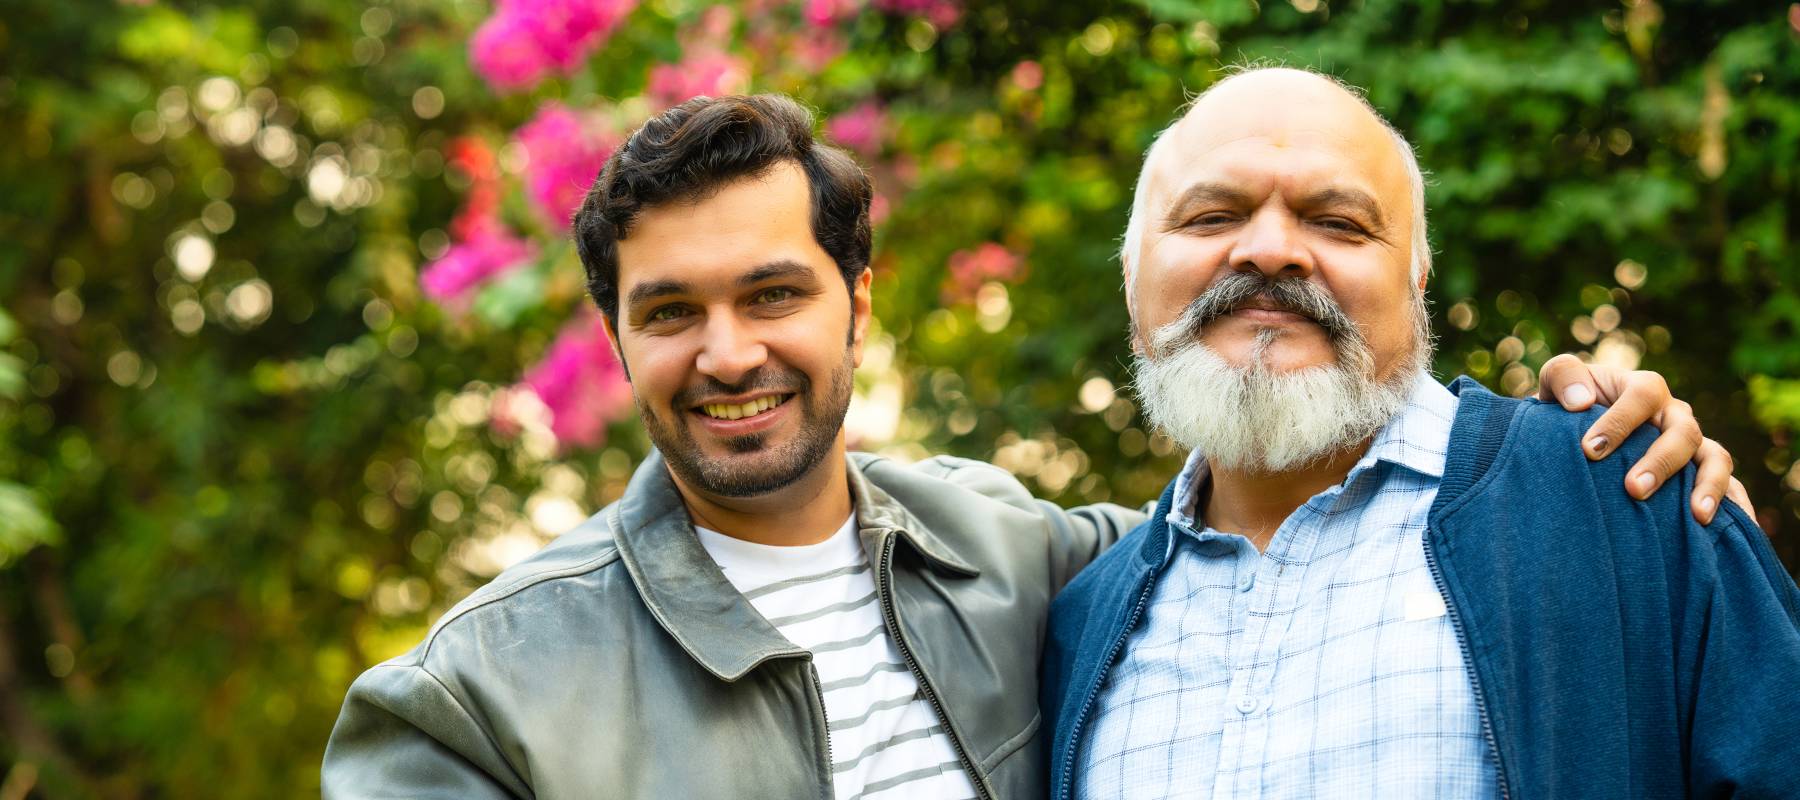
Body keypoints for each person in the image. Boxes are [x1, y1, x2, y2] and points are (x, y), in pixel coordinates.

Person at [323, 93, 1739, 799]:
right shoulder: (480, 698)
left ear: (857, 301)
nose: (731, 353)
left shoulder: (1039, 568)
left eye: (773, 294)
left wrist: (1613, 451)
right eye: (670, 312)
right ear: (614, 336)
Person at [1042, 68, 1799, 799]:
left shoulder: (1631, 500)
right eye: (1211, 216)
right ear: (1134, 278)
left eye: (1338, 223)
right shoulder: (1080, 627)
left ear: (1416, 283)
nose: (1270, 250)